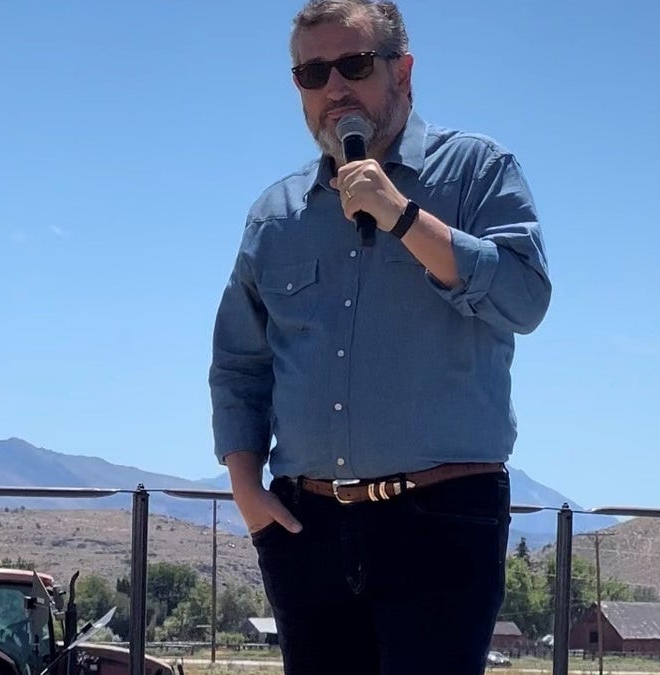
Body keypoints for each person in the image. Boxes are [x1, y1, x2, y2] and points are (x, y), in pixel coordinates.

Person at [208, 1, 551, 673]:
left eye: (355, 65)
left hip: (443, 519)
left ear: (404, 71)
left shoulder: (478, 171)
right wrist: (248, 492)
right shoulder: (275, 216)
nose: (334, 89)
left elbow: (524, 296)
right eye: (312, 73)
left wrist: (401, 215)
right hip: (305, 526)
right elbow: (239, 364)